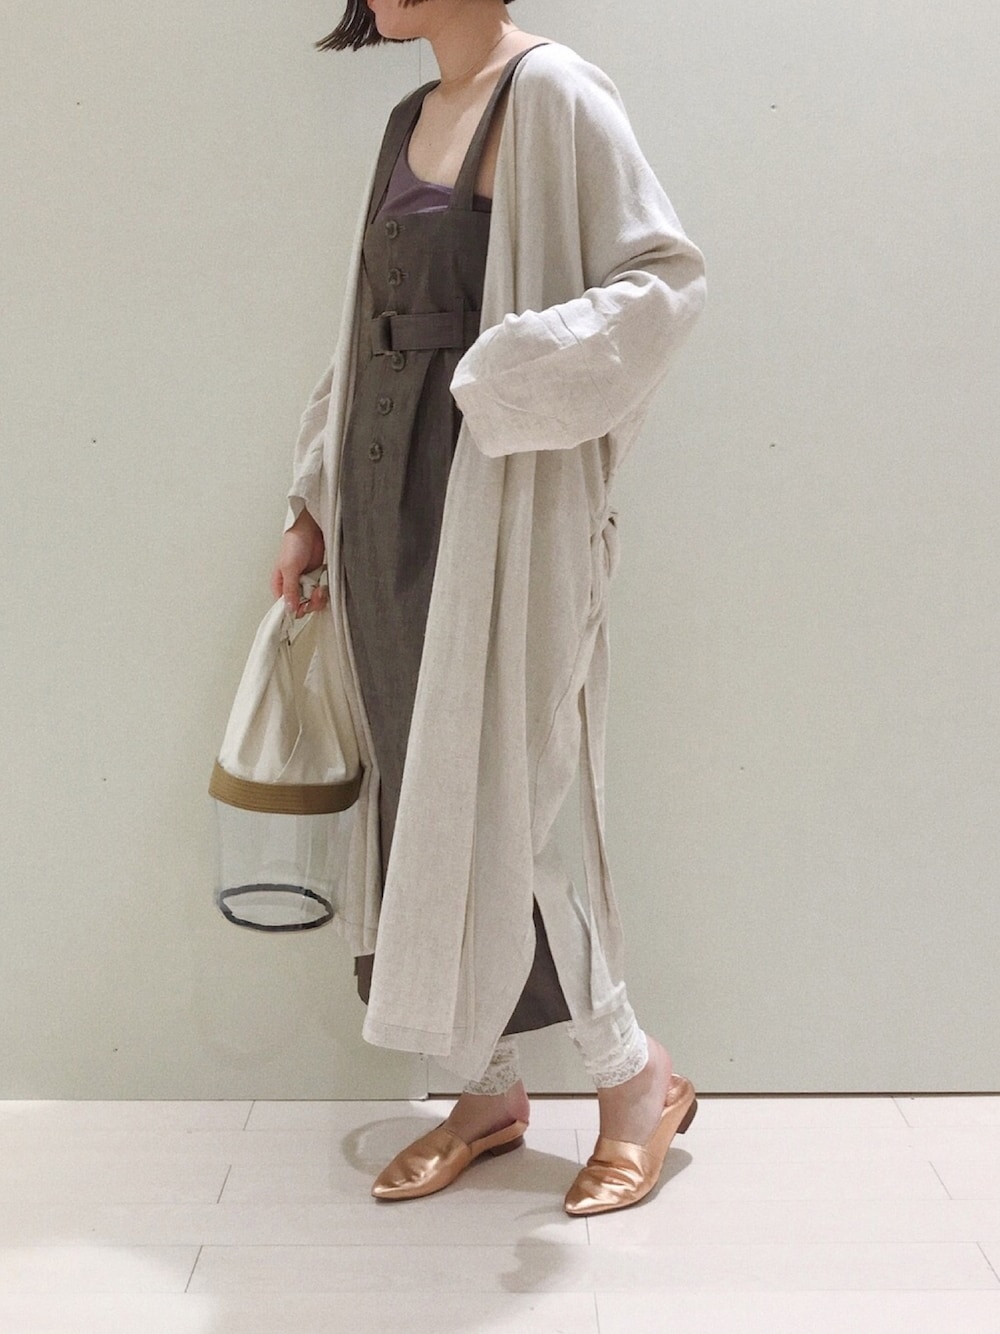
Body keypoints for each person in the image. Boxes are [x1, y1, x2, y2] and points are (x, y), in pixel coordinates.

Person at [270, 0, 706, 1216]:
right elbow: (360, 332)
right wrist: (310, 501)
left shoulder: (555, 93)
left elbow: (663, 282)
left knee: (522, 798)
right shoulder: (408, 117)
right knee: (423, 793)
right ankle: (487, 1087)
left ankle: (634, 1077)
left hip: (502, 496)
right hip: (381, 499)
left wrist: (500, 374)